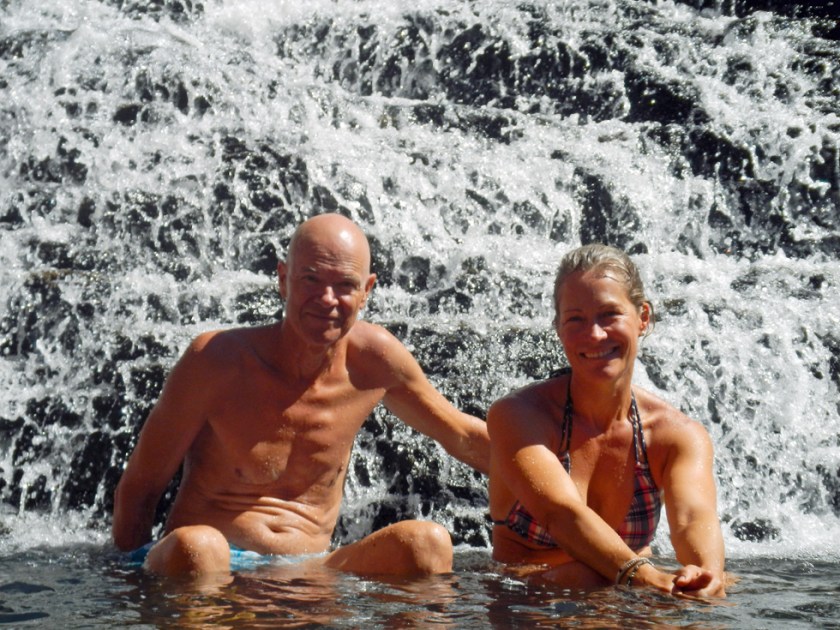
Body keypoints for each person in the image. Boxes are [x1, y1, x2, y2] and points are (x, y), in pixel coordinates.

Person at [113, 213, 489, 578]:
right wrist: (129, 592)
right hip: (209, 570)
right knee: (199, 546)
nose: (327, 299)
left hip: (310, 573)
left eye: (345, 285)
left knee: (427, 543)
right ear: (282, 279)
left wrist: (545, 474)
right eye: (311, 279)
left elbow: (464, 436)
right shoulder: (215, 360)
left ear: (366, 291)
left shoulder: (375, 360)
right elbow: (140, 487)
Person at [488, 243, 726, 597]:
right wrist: (639, 574)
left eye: (609, 314)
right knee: (587, 578)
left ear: (643, 317)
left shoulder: (676, 435)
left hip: (629, 598)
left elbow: (694, 519)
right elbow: (560, 514)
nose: (595, 334)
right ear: (558, 328)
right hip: (529, 602)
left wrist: (706, 576)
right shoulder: (520, 415)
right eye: (576, 319)